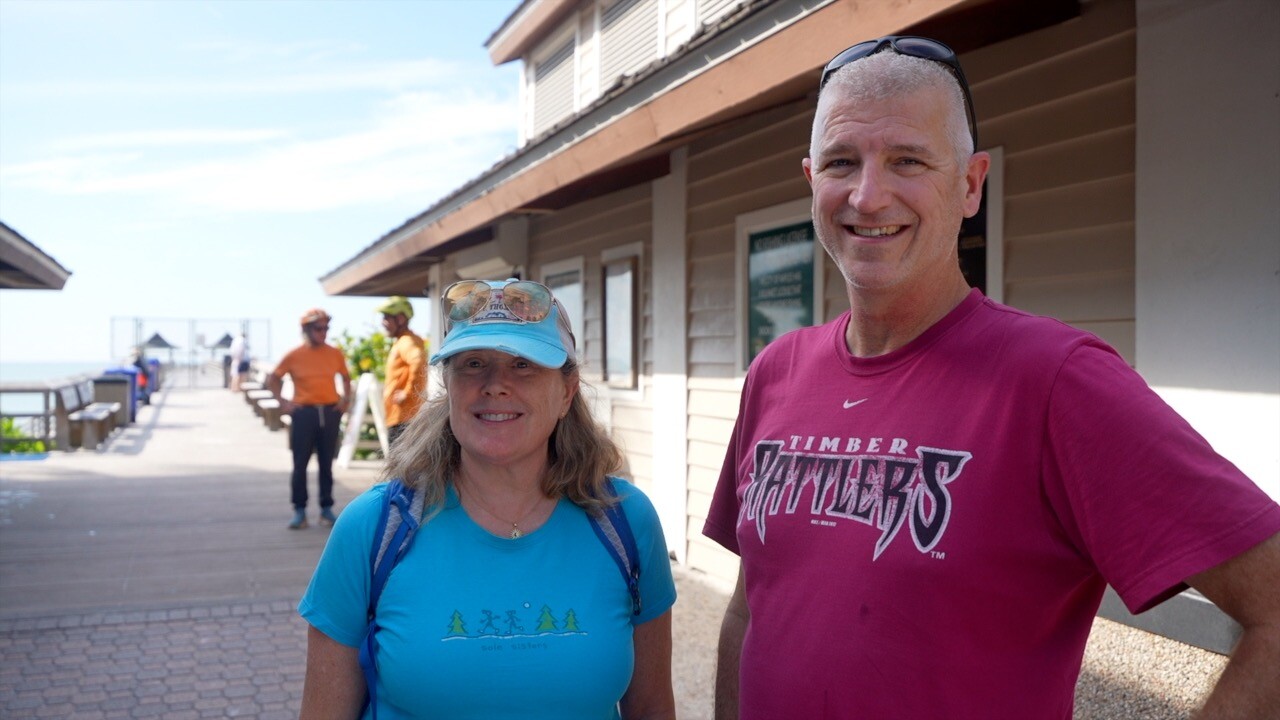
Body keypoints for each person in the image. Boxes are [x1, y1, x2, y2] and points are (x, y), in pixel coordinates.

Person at [704, 36, 1280, 719]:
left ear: (970, 184)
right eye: (841, 162)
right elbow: (749, 609)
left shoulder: (1055, 381)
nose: (867, 194)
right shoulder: (776, 373)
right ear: (811, 182)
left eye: (907, 160)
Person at [298, 278, 677, 719]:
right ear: (450, 386)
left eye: (524, 365)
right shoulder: (374, 527)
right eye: (474, 363)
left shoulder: (625, 521)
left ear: (566, 392)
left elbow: (651, 708)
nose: (495, 385)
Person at [268, 308, 352, 530]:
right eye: (319, 328)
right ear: (306, 329)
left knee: (326, 463)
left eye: (326, 328)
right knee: (300, 464)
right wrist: (283, 403)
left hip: (329, 412)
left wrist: (345, 401)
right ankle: (299, 510)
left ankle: (326, 508)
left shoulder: (334, 353)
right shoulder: (294, 355)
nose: (324, 332)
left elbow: (345, 377)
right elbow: (273, 378)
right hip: (303, 413)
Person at [374, 295, 426, 449]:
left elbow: (418, 361)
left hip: (403, 416)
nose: (383, 322)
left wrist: (407, 392)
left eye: (386, 317)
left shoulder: (406, 341)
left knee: (399, 469)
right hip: (402, 416)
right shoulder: (404, 340)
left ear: (401, 318)